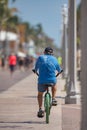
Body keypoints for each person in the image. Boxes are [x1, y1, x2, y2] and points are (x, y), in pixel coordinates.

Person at [33, 47, 63, 118]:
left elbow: (35, 68)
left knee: (40, 94)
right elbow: (59, 70)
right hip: (51, 80)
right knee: (54, 84)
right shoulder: (55, 59)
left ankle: (40, 109)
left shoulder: (40, 58)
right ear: (52, 53)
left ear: (44, 52)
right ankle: (53, 99)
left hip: (42, 80)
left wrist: (35, 71)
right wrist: (59, 71)